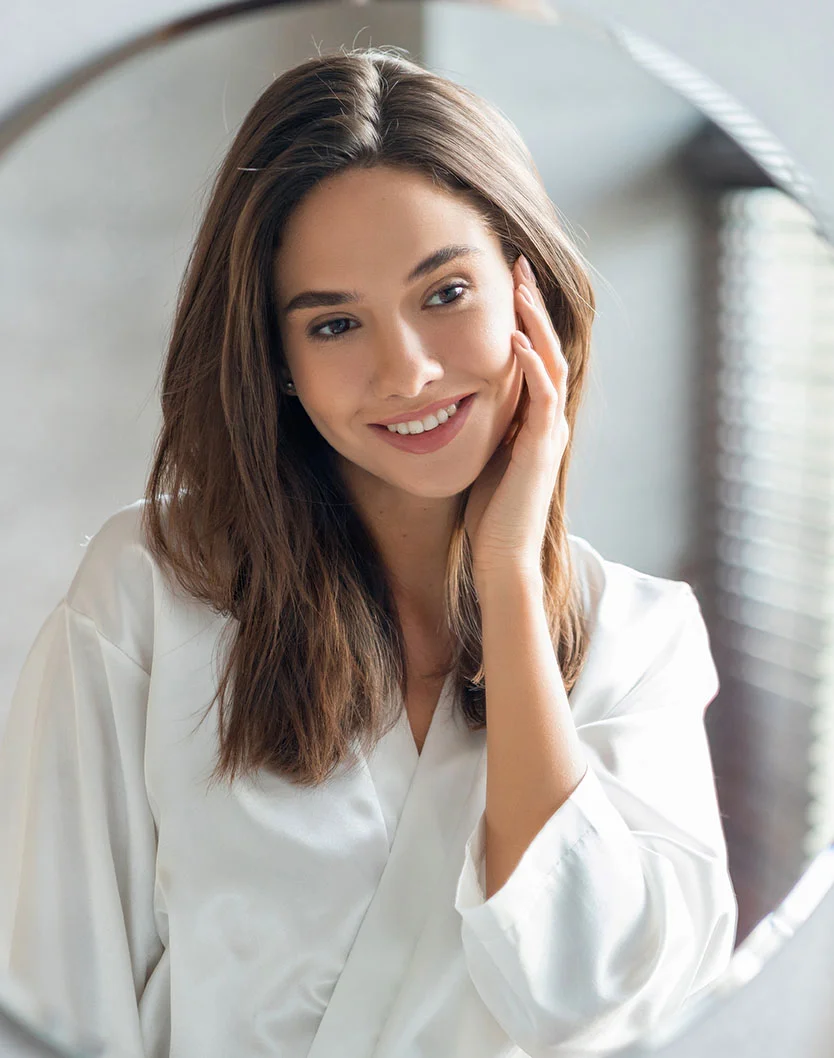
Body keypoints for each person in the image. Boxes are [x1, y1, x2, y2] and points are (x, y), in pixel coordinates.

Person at [0, 45, 738, 1058]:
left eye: (445, 294)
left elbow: (591, 1001)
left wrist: (510, 581)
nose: (409, 371)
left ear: (531, 296)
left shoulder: (637, 642)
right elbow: (51, 991)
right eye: (336, 322)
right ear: (281, 363)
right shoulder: (149, 591)